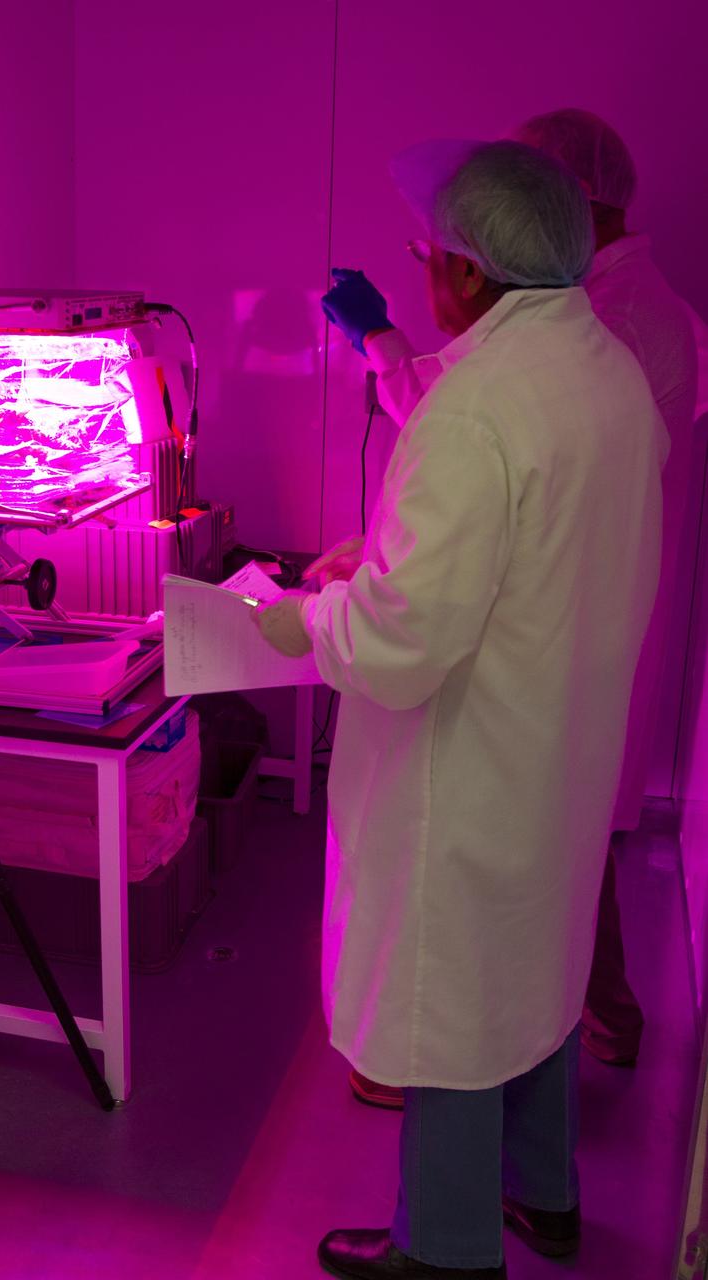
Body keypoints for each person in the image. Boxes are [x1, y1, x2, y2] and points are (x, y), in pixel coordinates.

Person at [254, 139, 664, 1279]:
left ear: (470, 276)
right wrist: (380, 558)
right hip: (561, 747)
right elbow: (526, 554)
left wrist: (310, 615)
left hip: (473, 765)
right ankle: (546, 1193)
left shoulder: (477, 407)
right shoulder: (603, 368)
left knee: (451, 996)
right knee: (533, 971)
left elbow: (402, 645)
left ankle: (440, 1250)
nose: (422, 276)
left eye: (426, 257)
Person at [360, 110, 698, 1072]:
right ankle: (544, 1162)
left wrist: (318, 616)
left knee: (485, 960)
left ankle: (453, 1215)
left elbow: (408, 630)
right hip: (570, 638)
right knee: (546, 911)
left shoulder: (599, 336)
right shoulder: (595, 340)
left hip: (523, 672)